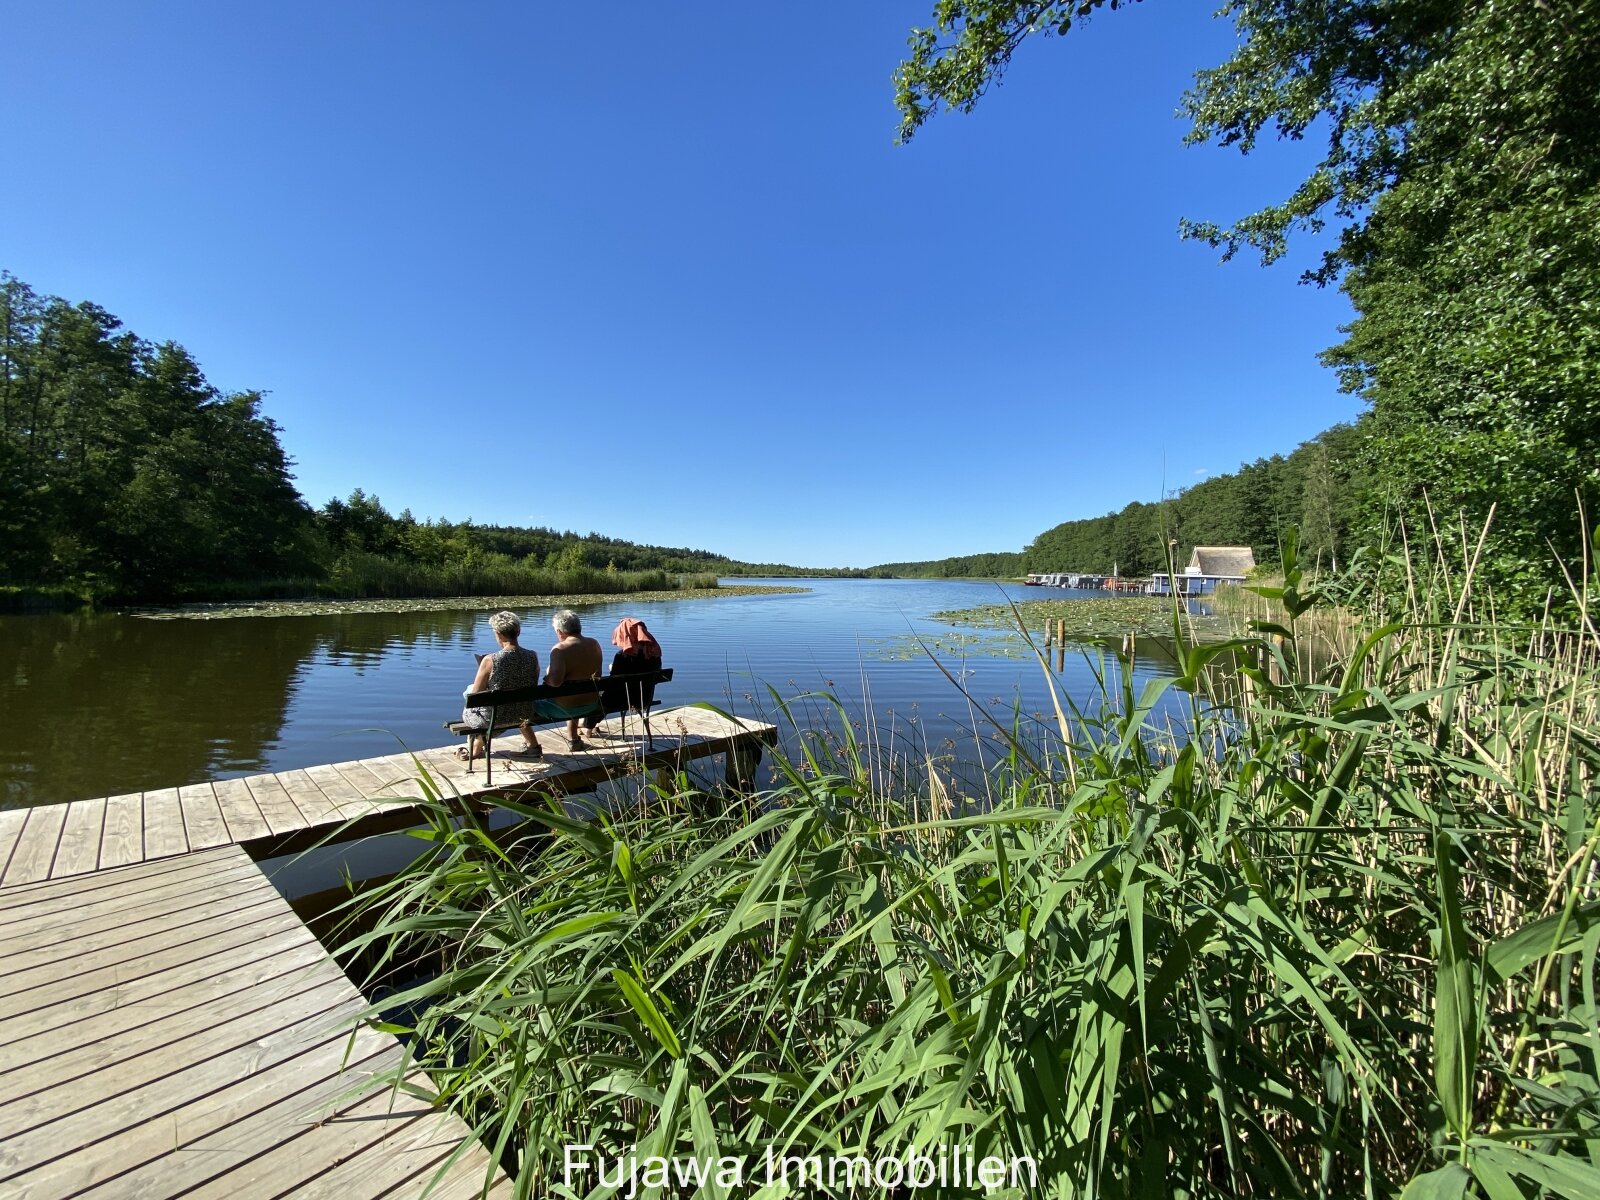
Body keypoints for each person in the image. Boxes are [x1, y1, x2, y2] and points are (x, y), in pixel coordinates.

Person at [458, 610, 543, 761]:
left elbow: (475, 697)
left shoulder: (491, 660)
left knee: (469, 696)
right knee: (511, 702)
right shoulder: (533, 656)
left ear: (498, 634)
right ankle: (532, 746)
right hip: (524, 713)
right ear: (519, 631)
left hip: (495, 719)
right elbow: (531, 685)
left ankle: (475, 749)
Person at [582, 617, 664, 735]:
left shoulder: (622, 655)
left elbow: (613, 681)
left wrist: (611, 668)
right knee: (606, 696)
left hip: (621, 699)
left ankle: (588, 728)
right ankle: (589, 726)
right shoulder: (654, 653)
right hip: (644, 698)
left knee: (598, 696)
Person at [539, 609, 604, 750]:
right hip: (591, 704)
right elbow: (598, 674)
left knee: (528, 705)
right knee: (571, 693)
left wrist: (547, 676)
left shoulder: (560, 649)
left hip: (563, 708)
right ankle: (573, 739)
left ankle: (531, 745)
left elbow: (555, 682)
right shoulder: (594, 644)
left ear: (559, 631)